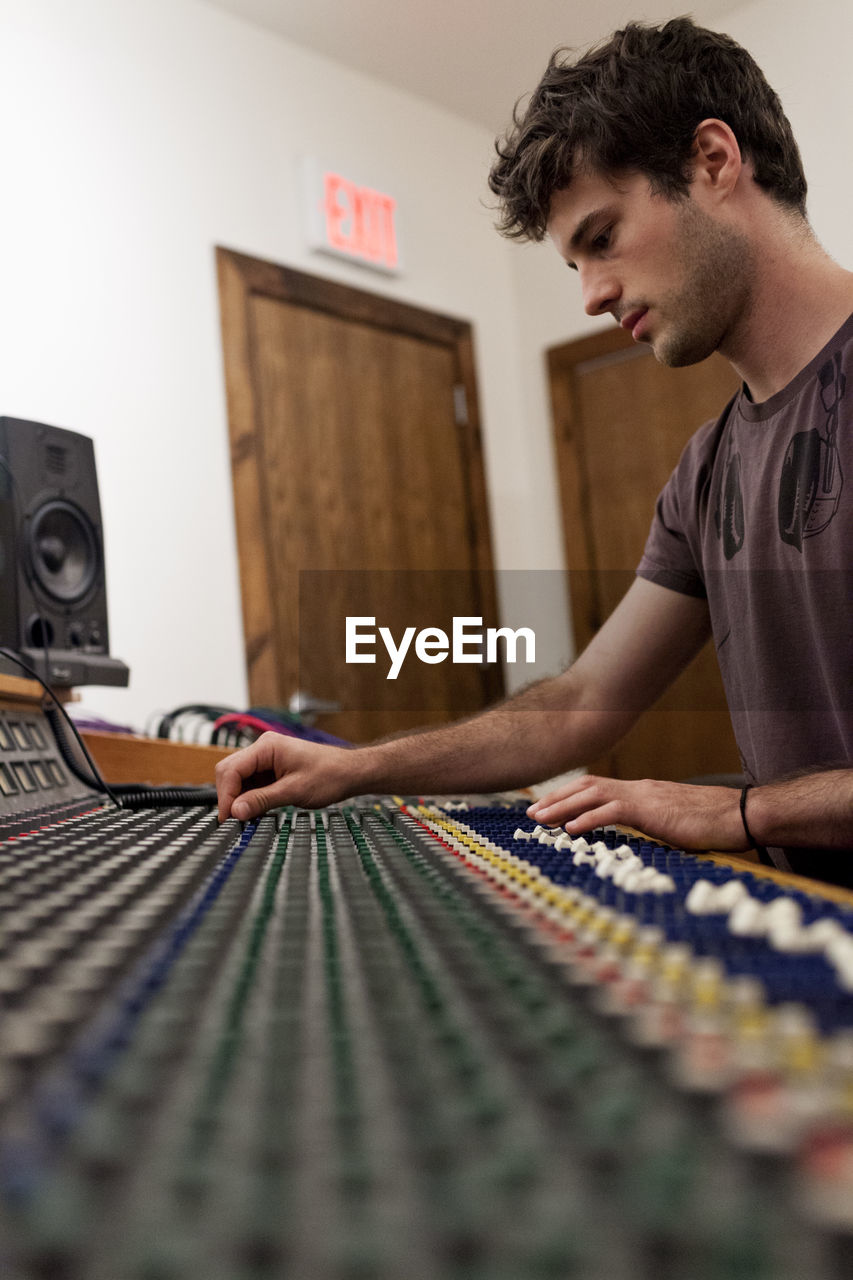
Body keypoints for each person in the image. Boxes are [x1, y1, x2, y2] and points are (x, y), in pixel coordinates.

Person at [215, 17, 853, 886]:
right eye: (573, 265)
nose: (591, 296)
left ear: (713, 161)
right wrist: (355, 768)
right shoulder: (706, 474)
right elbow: (580, 705)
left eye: (601, 237)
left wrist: (746, 811)